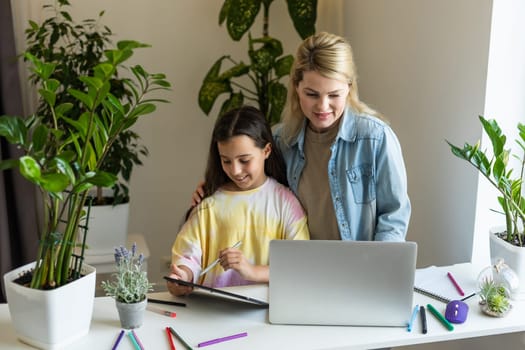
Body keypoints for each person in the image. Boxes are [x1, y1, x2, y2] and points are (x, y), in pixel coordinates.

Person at [192, 32, 410, 243]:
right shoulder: (280, 140)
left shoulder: (375, 138)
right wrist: (218, 186)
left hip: (360, 270)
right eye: (312, 94)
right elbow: (256, 191)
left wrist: (379, 266)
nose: (323, 106)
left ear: (349, 87)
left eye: (333, 95)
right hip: (297, 268)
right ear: (296, 87)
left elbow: (394, 214)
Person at [167, 106, 309, 296]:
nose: (235, 170)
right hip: (211, 312)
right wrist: (181, 278)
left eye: (244, 160)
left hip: (266, 315)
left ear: (266, 150)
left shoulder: (286, 204)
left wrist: (251, 270)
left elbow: (299, 265)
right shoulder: (209, 204)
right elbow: (188, 257)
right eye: (226, 161)